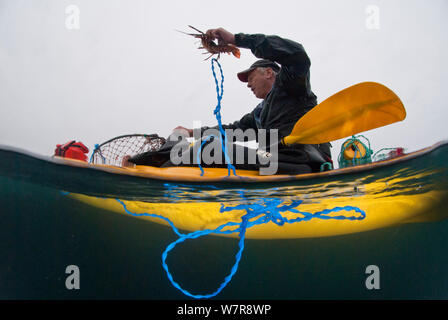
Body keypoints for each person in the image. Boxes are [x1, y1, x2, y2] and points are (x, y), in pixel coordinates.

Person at [130, 28, 332, 174]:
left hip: (302, 161)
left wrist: (238, 39)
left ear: (269, 72)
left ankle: (146, 164)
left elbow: (297, 55)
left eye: (250, 77)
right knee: (207, 144)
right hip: (273, 161)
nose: (247, 84)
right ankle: (154, 164)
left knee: (207, 147)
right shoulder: (260, 114)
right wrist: (192, 132)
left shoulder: (291, 86)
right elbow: (231, 131)